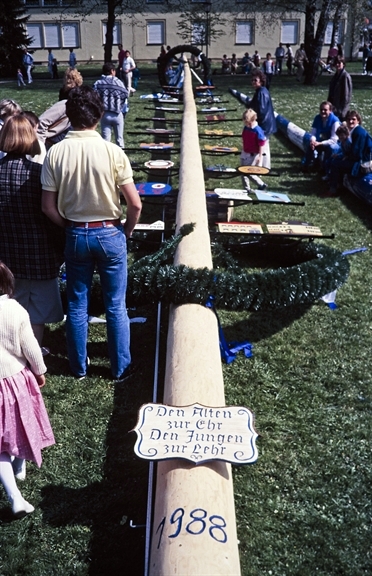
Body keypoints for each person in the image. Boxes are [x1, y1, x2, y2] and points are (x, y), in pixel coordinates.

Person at [41, 86, 142, 380]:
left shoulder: (55, 152)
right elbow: (134, 203)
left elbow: (48, 207)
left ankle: (78, 367)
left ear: (69, 115)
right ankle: (120, 368)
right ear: (99, 115)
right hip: (110, 231)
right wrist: (126, 231)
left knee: (76, 303)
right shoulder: (113, 151)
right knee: (115, 305)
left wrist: (70, 226)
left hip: (76, 233)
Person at [0, 115, 64, 346]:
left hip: (4, 256)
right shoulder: (38, 174)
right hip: (38, 254)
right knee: (37, 313)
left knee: (8, 308)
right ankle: (34, 356)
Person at [0, 261, 55, 518]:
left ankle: (15, 496)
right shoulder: (15, 310)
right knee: (23, 423)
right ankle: (20, 464)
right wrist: (40, 370)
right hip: (16, 379)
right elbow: (30, 346)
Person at [325, 110, 372, 197]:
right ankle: (336, 183)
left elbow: (357, 154)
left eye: (353, 119)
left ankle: (333, 189)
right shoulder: (353, 131)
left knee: (336, 164)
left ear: (358, 120)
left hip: (361, 164)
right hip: (357, 159)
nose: (350, 121)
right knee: (335, 158)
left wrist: (345, 157)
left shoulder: (359, 132)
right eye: (349, 119)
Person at [242, 69, 276, 168]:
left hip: (264, 124)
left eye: (255, 80)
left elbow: (261, 110)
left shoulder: (261, 92)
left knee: (263, 147)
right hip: (266, 124)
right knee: (264, 146)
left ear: (261, 81)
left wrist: (253, 119)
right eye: (252, 80)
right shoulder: (260, 91)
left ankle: (264, 168)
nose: (253, 82)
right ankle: (264, 167)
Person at [93, 62, 128, 149]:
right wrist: (124, 111)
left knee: (106, 141)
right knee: (119, 139)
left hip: (105, 114)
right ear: (112, 71)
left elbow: (94, 98)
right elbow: (125, 97)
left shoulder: (98, 83)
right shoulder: (119, 82)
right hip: (117, 113)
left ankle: (106, 160)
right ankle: (121, 159)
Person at [301, 101, 340, 172]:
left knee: (331, 148)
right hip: (321, 140)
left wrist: (320, 143)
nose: (323, 111)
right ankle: (308, 165)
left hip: (334, 143)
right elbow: (313, 133)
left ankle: (326, 168)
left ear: (330, 110)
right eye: (321, 109)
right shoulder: (317, 118)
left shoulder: (335, 121)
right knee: (310, 144)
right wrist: (313, 141)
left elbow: (334, 139)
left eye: (325, 110)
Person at [240, 108, 267, 190]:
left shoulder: (257, 130)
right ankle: (246, 188)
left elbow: (261, 143)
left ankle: (261, 184)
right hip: (245, 152)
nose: (246, 124)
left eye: (248, 123)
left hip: (253, 154)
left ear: (253, 120)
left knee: (247, 171)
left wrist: (260, 156)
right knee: (242, 171)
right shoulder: (246, 128)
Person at [327, 56, 352, 121]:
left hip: (340, 109)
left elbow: (346, 96)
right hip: (333, 107)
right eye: (336, 63)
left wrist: (342, 111)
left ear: (343, 64)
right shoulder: (335, 76)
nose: (337, 65)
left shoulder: (345, 76)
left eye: (339, 63)